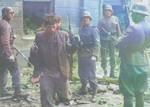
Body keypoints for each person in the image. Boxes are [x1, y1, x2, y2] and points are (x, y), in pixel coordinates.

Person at [29, 13, 78, 107]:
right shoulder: (39, 36)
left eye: (53, 27)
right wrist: (33, 52)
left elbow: (70, 50)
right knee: (46, 97)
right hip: (46, 72)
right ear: (45, 26)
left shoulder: (63, 35)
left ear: (57, 25)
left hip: (60, 72)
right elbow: (35, 57)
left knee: (65, 99)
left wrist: (75, 45)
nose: (52, 30)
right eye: (49, 27)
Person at [116, 3, 150, 107]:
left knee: (128, 93)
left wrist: (120, 37)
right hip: (143, 61)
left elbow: (118, 44)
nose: (131, 16)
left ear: (139, 15)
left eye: (133, 13)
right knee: (140, 93)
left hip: (130, 62)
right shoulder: (148, 27)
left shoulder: (133, 28)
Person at [0, 7, 27, 97]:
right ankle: (18, 91)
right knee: (15, 68)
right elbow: (4, 41)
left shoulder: (2, 23)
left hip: (1, 53)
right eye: (11, 13)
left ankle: (2, 90)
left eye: (13, 13)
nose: (13, 15)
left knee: (2, 69)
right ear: (5, 14)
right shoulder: (6, 25)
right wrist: (9, 55)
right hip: (4, 52)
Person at [77, 11, 100, 102]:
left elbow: (97, 44)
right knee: (81, 73)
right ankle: (84, 88)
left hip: (90, 55)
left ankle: (94, 92)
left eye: (87, 17)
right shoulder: (80, 29)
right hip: (82, 54)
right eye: (83, 17)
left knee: (91, 75)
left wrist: (94, 55)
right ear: (82, 19)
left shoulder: (93, 29)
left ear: (90, 19)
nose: (85, 19)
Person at [97, 5, 121, 77]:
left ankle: (112, 72)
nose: (107, 12)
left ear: (111, 11)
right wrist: (98, 41)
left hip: (113, 40)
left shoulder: (115, 19)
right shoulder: (101, 20)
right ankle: (105, 72)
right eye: (106, 10)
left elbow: (118, 30)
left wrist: (119, 39)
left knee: (113, 56)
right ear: (104, 11)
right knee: (104, 56)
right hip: (104, 40)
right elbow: (98, 31)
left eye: (109, 10)